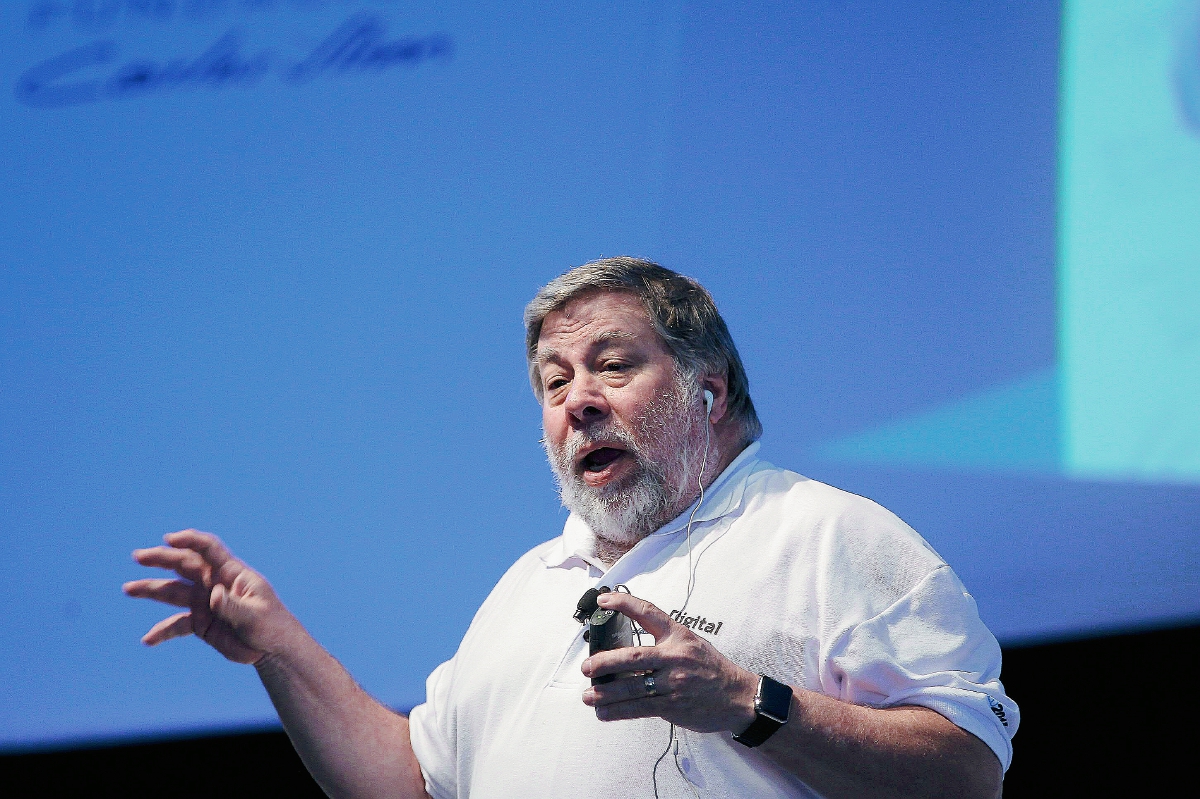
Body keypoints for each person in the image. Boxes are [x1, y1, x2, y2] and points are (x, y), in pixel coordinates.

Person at [125, 258, 1017, 798]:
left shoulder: (826, 535)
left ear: (708, 392)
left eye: (613, 366)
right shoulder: (531, 585)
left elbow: (968, 774)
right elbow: (409, 783)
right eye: (554, 383)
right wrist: (279, 647)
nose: (578, 401)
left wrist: (747, 704)